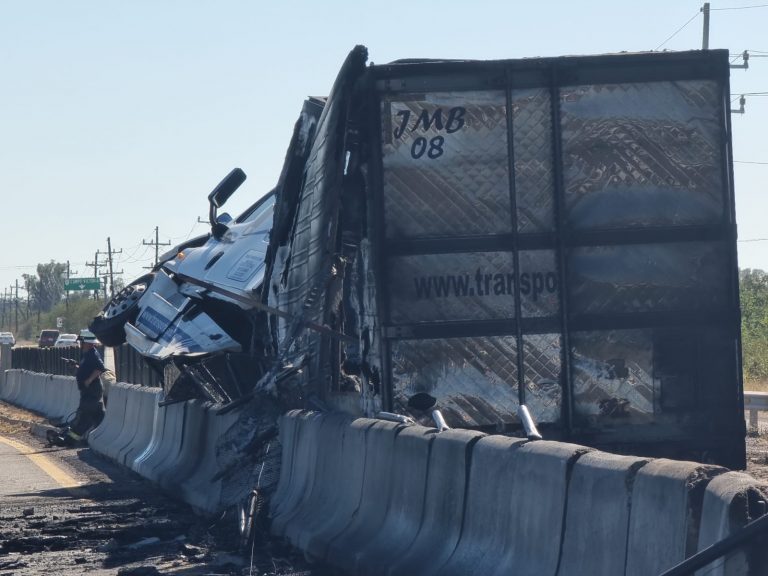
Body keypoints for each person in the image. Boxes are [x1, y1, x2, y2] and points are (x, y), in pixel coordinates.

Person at [49, 334, 107, 447]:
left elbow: (100, 368)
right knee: (97, 416)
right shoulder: (86, 355)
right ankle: (96, 438)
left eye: (82, 342)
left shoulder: (92, 354)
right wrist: (75, 366)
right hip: (87, 391)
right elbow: (85, 370)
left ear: (88, 343)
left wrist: (89, 381)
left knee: (83, 417)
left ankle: (69, 440)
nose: (80, 344)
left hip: (92, 392)